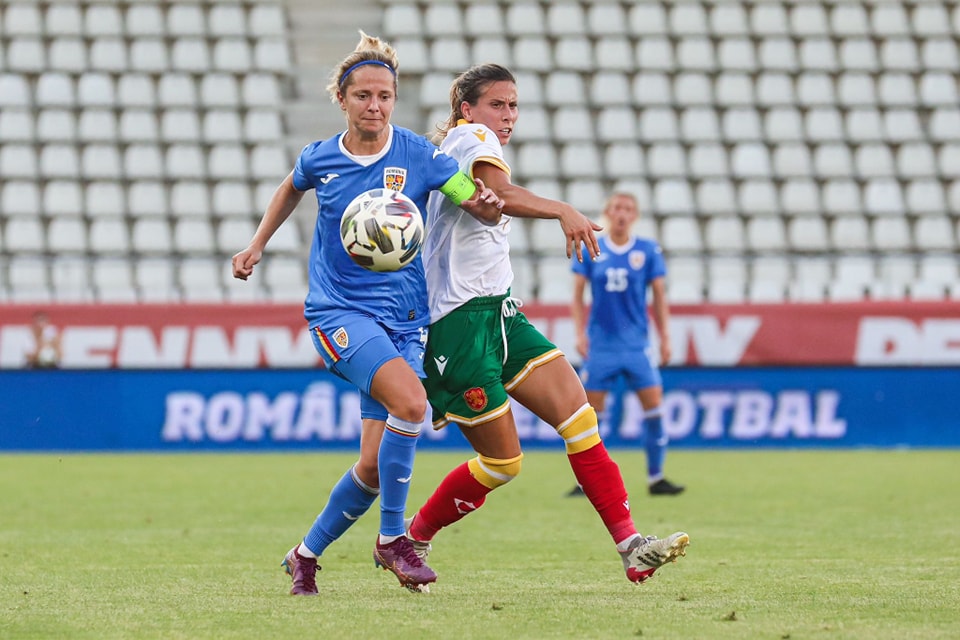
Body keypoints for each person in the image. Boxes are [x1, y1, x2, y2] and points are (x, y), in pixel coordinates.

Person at [231, 32, 504, 596]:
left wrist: (483, 202)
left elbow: (463, 192)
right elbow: (290, 187)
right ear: (343, 100)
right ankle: (391, 540)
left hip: (406, 321)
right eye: (363, 96)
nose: (374, 105)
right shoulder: (321, 157)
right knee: (411, 402)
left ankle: (304, 556)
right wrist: (257, 244)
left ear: (394, 100)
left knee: (376, 466)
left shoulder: (419, 156)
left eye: (384, 95)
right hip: (340, 314)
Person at [405, 64, 689, 585]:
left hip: (501, 312)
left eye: (514, 105)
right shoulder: (472, 138)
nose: (508, 116)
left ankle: (630, 545)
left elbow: (492, 204)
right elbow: (501, 195)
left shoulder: (468, 142)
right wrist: (563, 210)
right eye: (498, 104)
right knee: (502, 464)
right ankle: (413, 537)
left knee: (580, 421)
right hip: (458, 326)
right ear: (467, 109)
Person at [569, 192, 685, 497]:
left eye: (629, 209)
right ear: (608, 212)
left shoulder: (647, 251)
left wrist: (666, 337)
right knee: (593, 415)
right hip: (602, 346)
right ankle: (588, 483)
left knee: (654, 408)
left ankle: (656, 478)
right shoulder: (594, 248)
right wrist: (580, 334)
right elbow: (578, 296)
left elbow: (659, 297)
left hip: (637, 345)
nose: (622, 214)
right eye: (617, 208)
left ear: (635, 216)